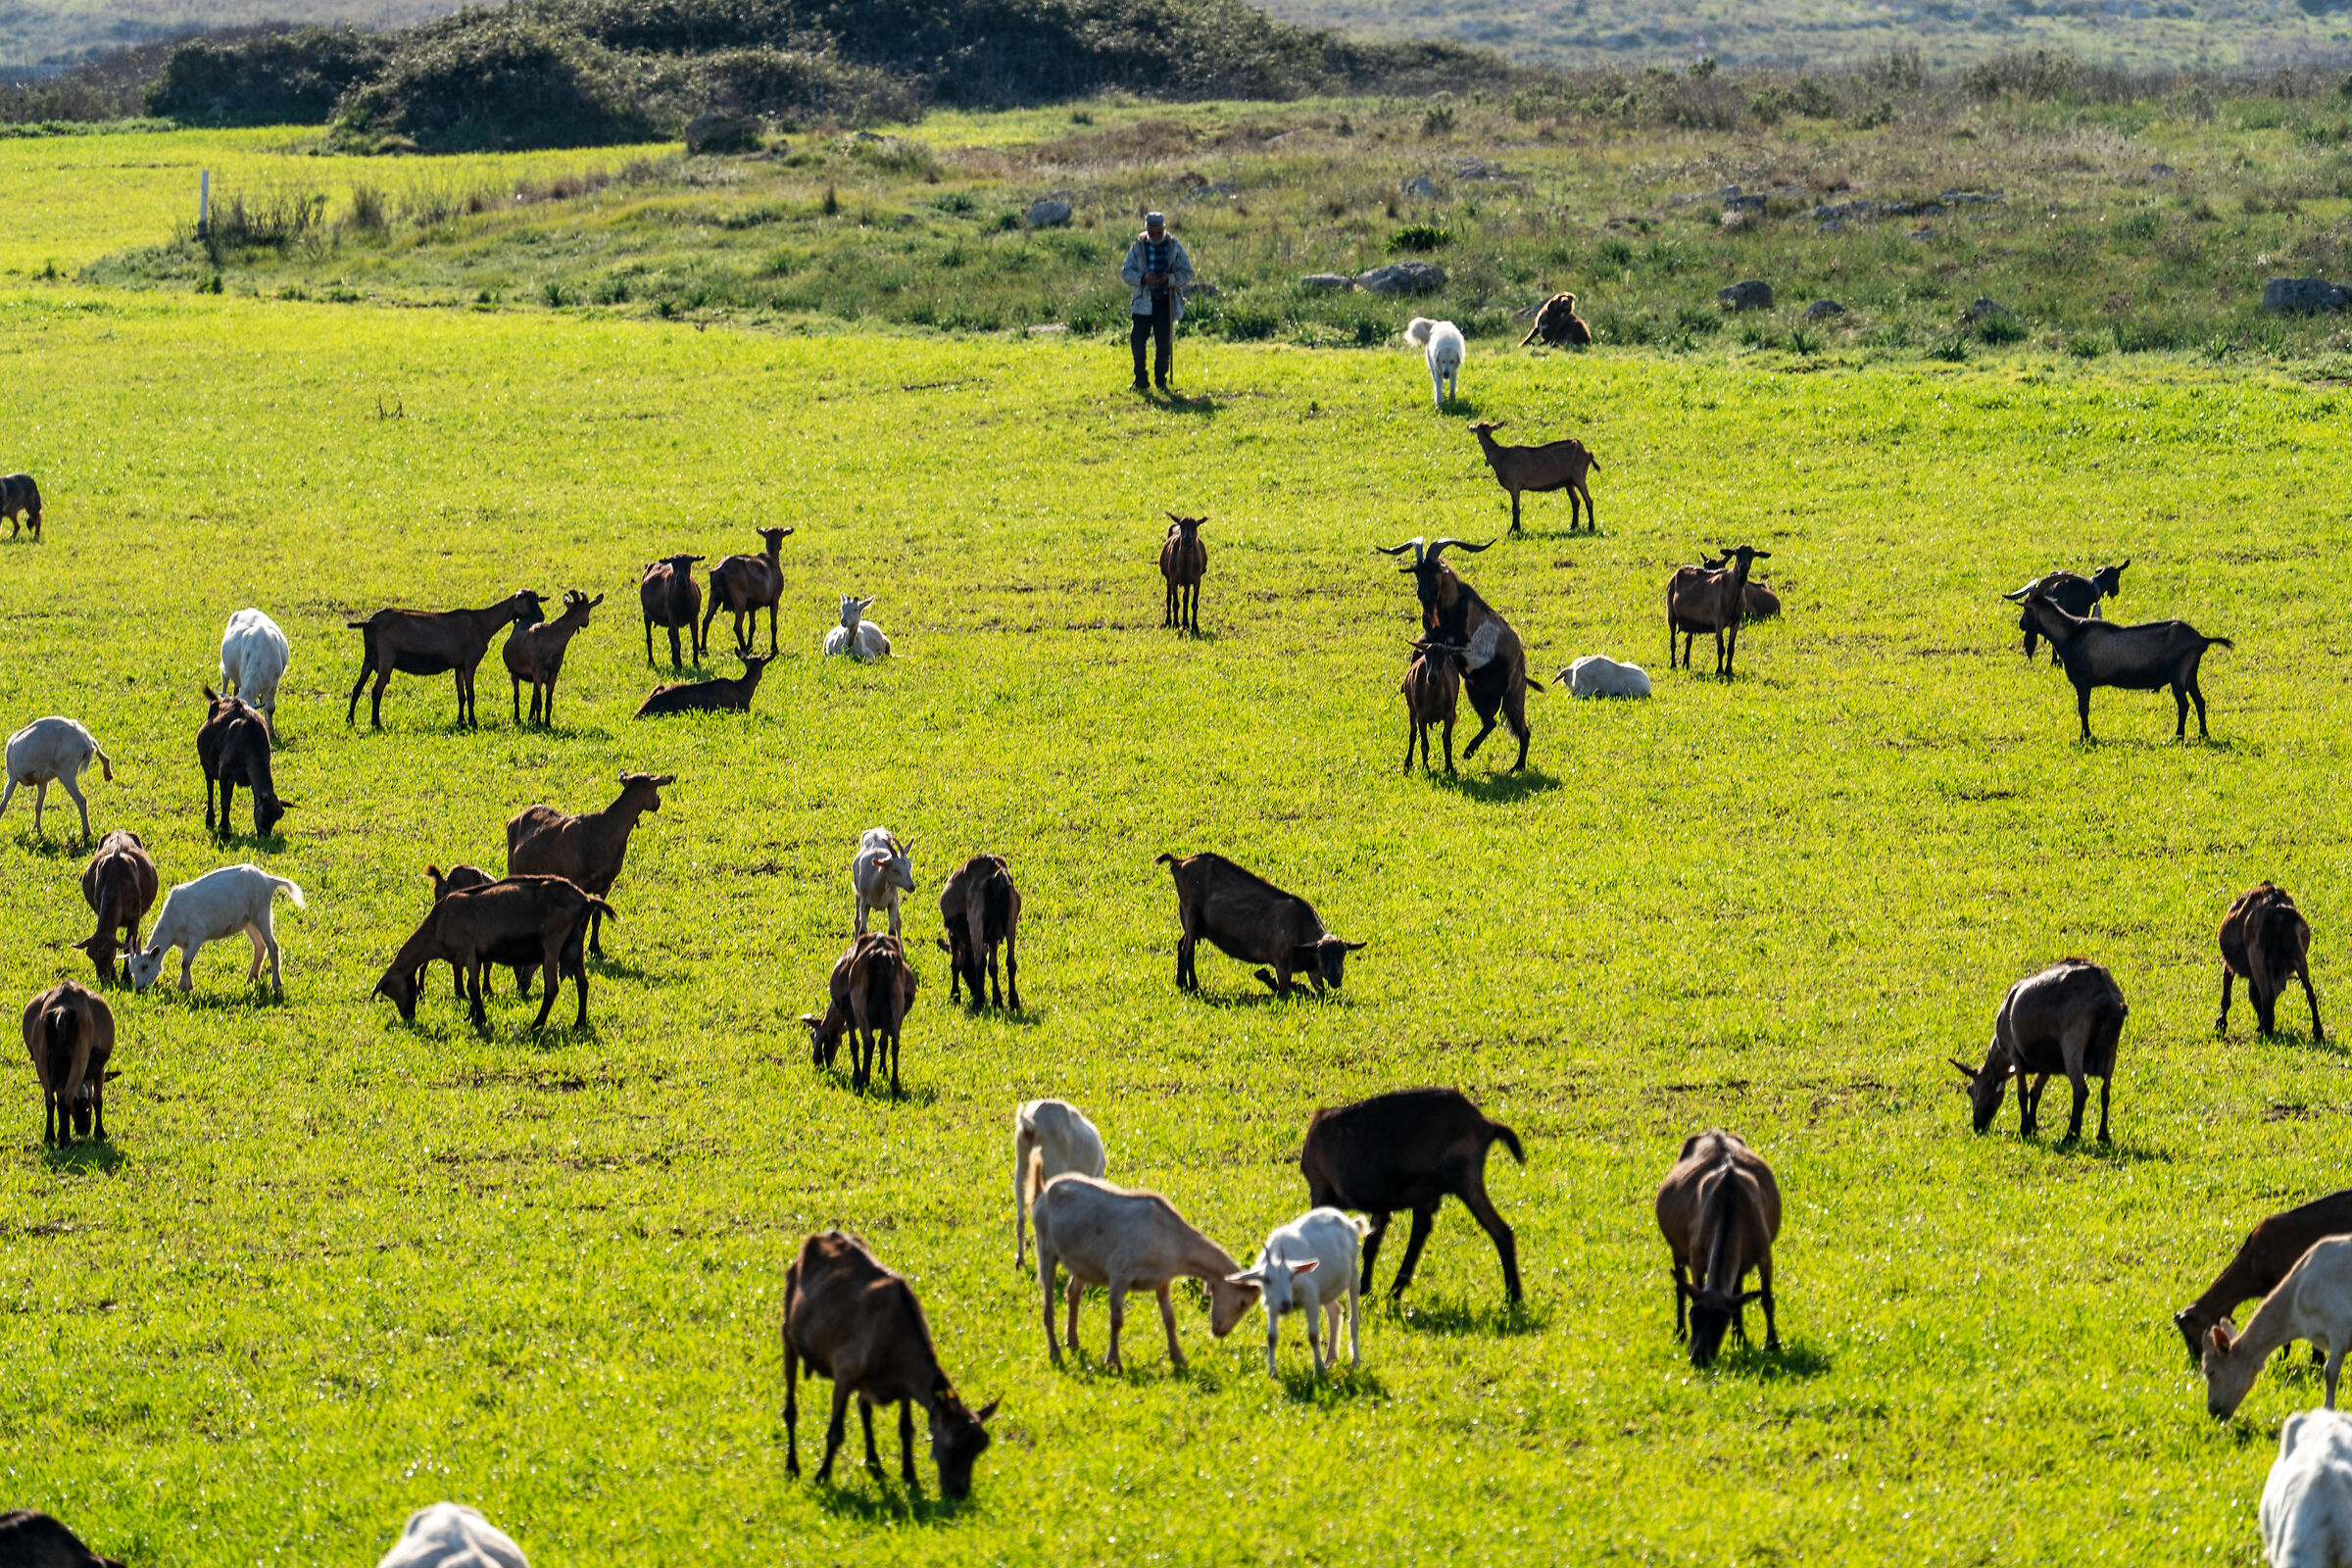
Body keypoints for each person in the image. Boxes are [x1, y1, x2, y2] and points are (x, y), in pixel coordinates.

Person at [1120, 211, 1194, 393]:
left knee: (1163, 343)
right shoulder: (1138, 246)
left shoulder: (1174, 246)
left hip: (1165, 302)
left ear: (1164, 229)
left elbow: (1188, 273)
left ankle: (1161, 380)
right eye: (1151, 233)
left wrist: (1168, 279)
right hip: (1142, 302)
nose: (1154, 237)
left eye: (1158, 233)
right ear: (1146, 230)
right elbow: (1126, 273)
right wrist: (1144, 278)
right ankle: (1140, 379)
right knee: (1137, 339)